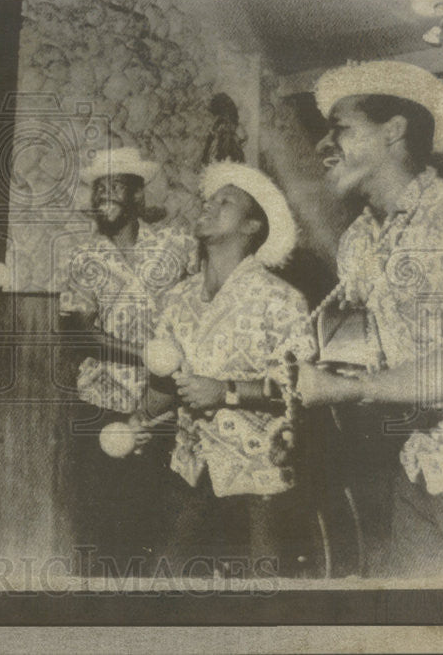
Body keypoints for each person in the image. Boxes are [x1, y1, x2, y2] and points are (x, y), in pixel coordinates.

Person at [294, 60, 443, 577]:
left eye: (341, 128)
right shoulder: (357, 241)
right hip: (417, 466)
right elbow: (353, 355)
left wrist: (344, 389)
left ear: (394, 131)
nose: (325, 146)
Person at [132, 162, 318, 573]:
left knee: (260, 602)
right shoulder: (177, 299)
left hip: (259, 482)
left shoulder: (281, 299)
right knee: (167, 587)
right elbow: (167, 382)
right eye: (208, 200)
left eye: (225, 202)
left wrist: (226, 391)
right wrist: (138, 420)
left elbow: (300, 387)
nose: (209, 206)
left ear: (252, 226)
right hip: (190, 472)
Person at [59, 146, 197, 572]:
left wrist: (174, 364)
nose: (103, 197)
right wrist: (150, 354)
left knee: (150, 520)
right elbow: (81, 333)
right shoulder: (83, 259)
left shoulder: (178, 247)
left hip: (162, 409)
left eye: (114, 186)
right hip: (100, 406)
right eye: (97, 190)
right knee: (97, 522)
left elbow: (201, 309)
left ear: (137, 196)